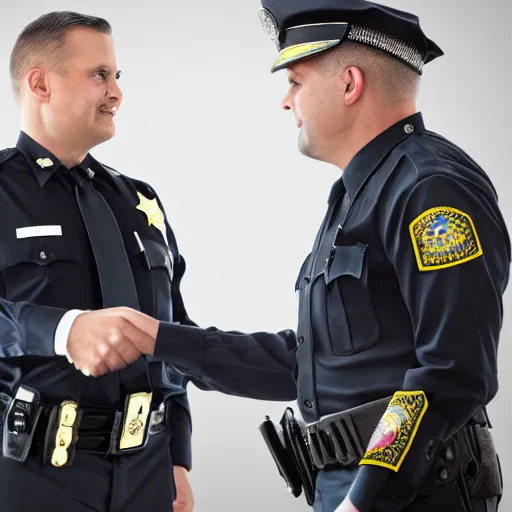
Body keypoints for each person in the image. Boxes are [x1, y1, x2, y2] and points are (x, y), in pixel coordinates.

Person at [71, 1, 510, 511]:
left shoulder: (430, 190)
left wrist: (364, 500)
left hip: (414, 494)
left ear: (350, 84)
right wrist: (160, 340)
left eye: (297, 81)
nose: (286, 101)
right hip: (351, 489)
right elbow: (307, 364)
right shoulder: (356, 197)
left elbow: (452, 372)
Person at [0, 11, 197, 512]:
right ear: (41, 84)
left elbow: (171, 334)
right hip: (29, 474)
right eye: (99, 75)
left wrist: (177, 457)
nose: (116, 93)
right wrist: (63, 330)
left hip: (146, 473)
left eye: (116, 76)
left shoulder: (138, 202)